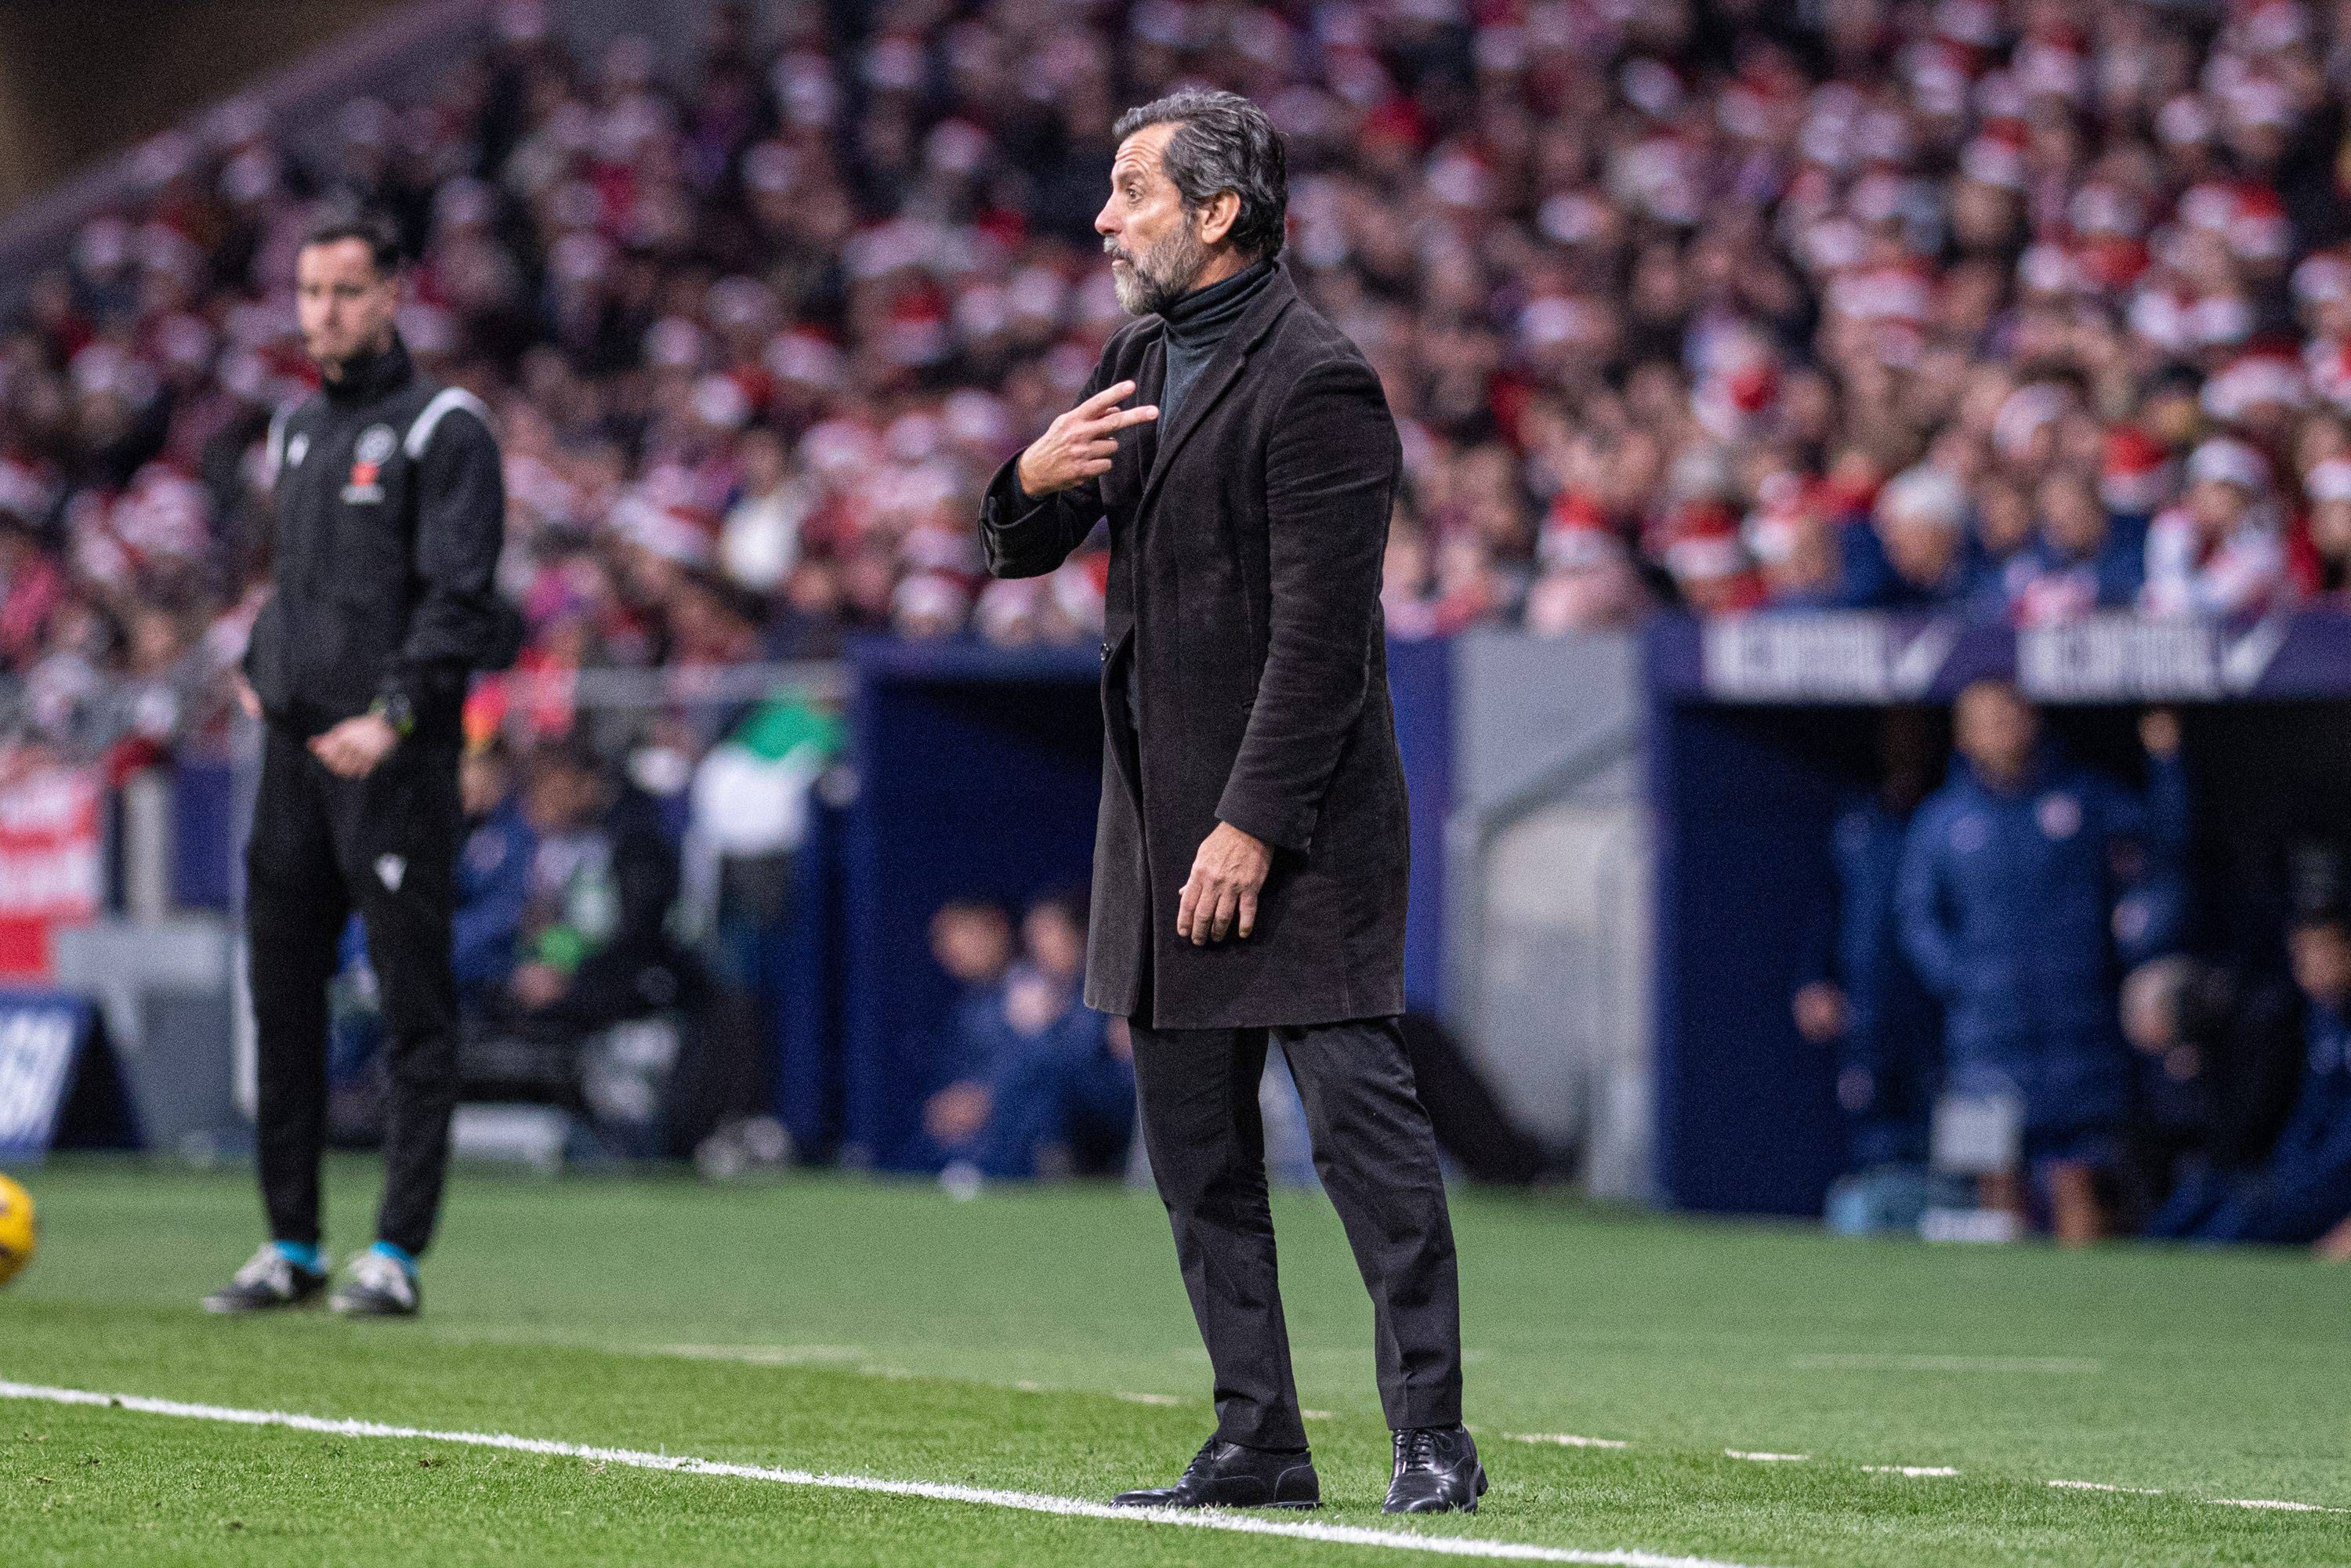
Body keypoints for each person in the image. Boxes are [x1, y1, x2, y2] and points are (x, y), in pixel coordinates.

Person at [976, 89, 1476, 1514]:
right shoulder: (1139, 352)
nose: (1103, 218)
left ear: (1218, 213)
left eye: (1132, 190)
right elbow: (1024, 546)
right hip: (1156, 824)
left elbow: (1325, 641)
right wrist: (1024, 480)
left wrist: (1252, 826)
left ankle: (1431, 1435)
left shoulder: (1320, 380)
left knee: (1366, 1141)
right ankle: (1259, 1436)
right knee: (1196, 1155)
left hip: (1297, 833)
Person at [206, 213, 516, 1318]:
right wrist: (261, 665)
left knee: (411, 1007)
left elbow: (461, 598)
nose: (322, 312)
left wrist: (392, 716)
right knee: (281, 1002)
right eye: (309, 292)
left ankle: (395, 1252)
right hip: (294, 762)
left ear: (392, 295)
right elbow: (296, 585)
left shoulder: (444, 427)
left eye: (343, 291)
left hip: (394, 762)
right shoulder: (295, 428)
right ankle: (290, 1242)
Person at [1896, 683, 2186, 1245]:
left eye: (2011, 712)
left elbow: (2160, 861)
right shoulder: (1942, 821)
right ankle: (1994, 1299)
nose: (2003, 726)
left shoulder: (2085, 798)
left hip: (2076, 1029)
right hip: (1981, 1037)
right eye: (1987, 718)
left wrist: (2168, 763)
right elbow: (1916, 916)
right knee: (1992, 1178)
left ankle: (2082, 1295)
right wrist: (1961, 980)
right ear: (1963, 736)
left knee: (2077, 1178)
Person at [2149, 902, 2351, 1249]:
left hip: (2333, 1182)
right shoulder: (2319, 1020)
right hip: (2299, 1169)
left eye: (2321, 951)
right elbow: (2308, 1115)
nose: (2310, 967)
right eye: (2301, 955)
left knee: (2225, 1235)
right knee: (2177, 1221)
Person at [1795, 710, 1942, 1182]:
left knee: (1945, 1137)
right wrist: (1814, 979)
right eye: (1895, 739)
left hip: (1940, 1009)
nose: (1904, 751)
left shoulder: (1948, 818)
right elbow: (1827, 908)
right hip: (1868, 1007)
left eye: (1914, 738)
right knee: (1871, 1137)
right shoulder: (1857, 821)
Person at [927, 896, 1137, 1184]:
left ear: (1080, 936)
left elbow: (1086, 1072)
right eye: (1034, 936)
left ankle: (996, 1168)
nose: (1041, 945)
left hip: (1098, 1115)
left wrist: (1041, 1033)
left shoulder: (1103, 999)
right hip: (1036, 1114)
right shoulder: (1021, 995)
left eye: (1049, 933)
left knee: (1044, 1090)